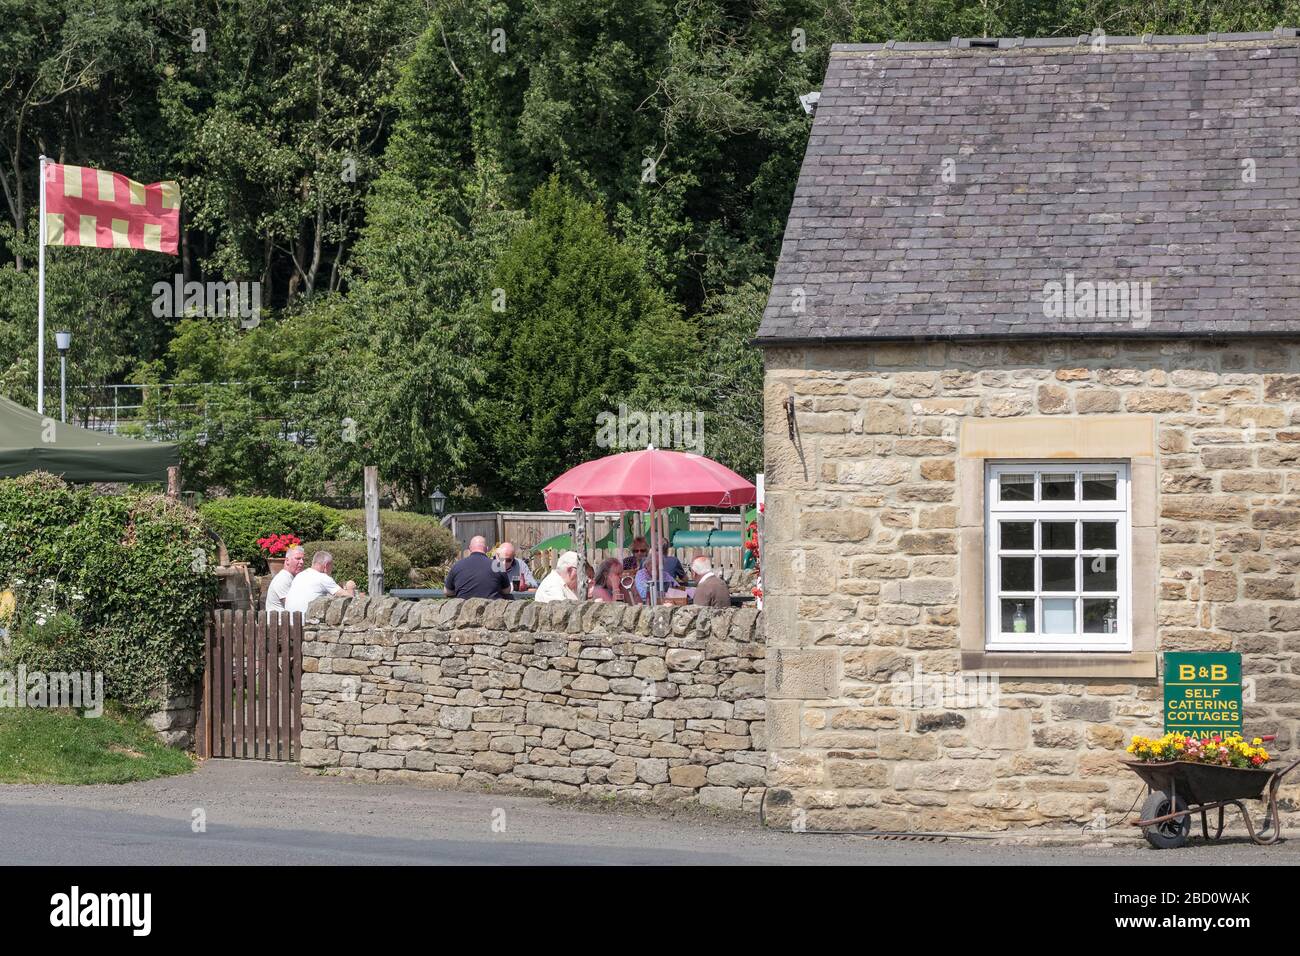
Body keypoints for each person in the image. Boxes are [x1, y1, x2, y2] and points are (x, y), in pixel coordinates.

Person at [285, 550, 357, 614]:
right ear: (326, 565)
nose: (331, 569)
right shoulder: (323, 578)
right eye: (331, 566)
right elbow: (350, 598)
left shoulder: (300, 575)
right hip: (305, 624)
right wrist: (350, 587)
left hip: (289, 622)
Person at [445, 535, 510, 599]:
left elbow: (447, 591)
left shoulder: (457, 565)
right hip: (491, 608)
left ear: (470, 548)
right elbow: (507, 591)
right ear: (487, 549)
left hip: (465, 608)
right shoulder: (497, 565)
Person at [265, 545, 306, 614]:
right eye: (298, 558)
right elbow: (291, 606)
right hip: (279, 623)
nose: (302, 562)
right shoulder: (283, 579)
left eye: (303, 559)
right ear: (287, 561)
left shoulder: (290, 577)